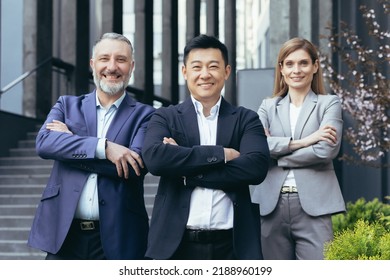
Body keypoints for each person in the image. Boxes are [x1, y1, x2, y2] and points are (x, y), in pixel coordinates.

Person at [28, 32, 155, 260]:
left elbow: (134, 166)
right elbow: (45, 143)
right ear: (93, 64)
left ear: (132, 66)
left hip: (120, 237)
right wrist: (104, 147)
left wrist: (70, 147)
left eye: (121, 60)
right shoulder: (67, 105)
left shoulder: (147, 115)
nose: (112, 67)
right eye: (104, 59)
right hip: (64, 236)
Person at [142, 34, 270, 260]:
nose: (205, 74)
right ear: (185, 72)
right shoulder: (166, 117)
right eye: (197, 67)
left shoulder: (246, 119)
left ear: (227, 72)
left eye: (213, 66)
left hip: (233, 246)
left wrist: (186, 171)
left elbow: (256, 168)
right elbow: (156, 159)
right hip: (176, 245)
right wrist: (221, 154)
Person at [251, 37, 346, 260]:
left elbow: (325, 151)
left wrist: (278, 155)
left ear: (315, 66)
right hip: (270, 206)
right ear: (281, 69)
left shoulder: (329, 103)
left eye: (303, 63)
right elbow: (257, 147)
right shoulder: (268, 106)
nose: (297, 70)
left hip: (315, 206)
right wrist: (305, 141)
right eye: (290, 63)